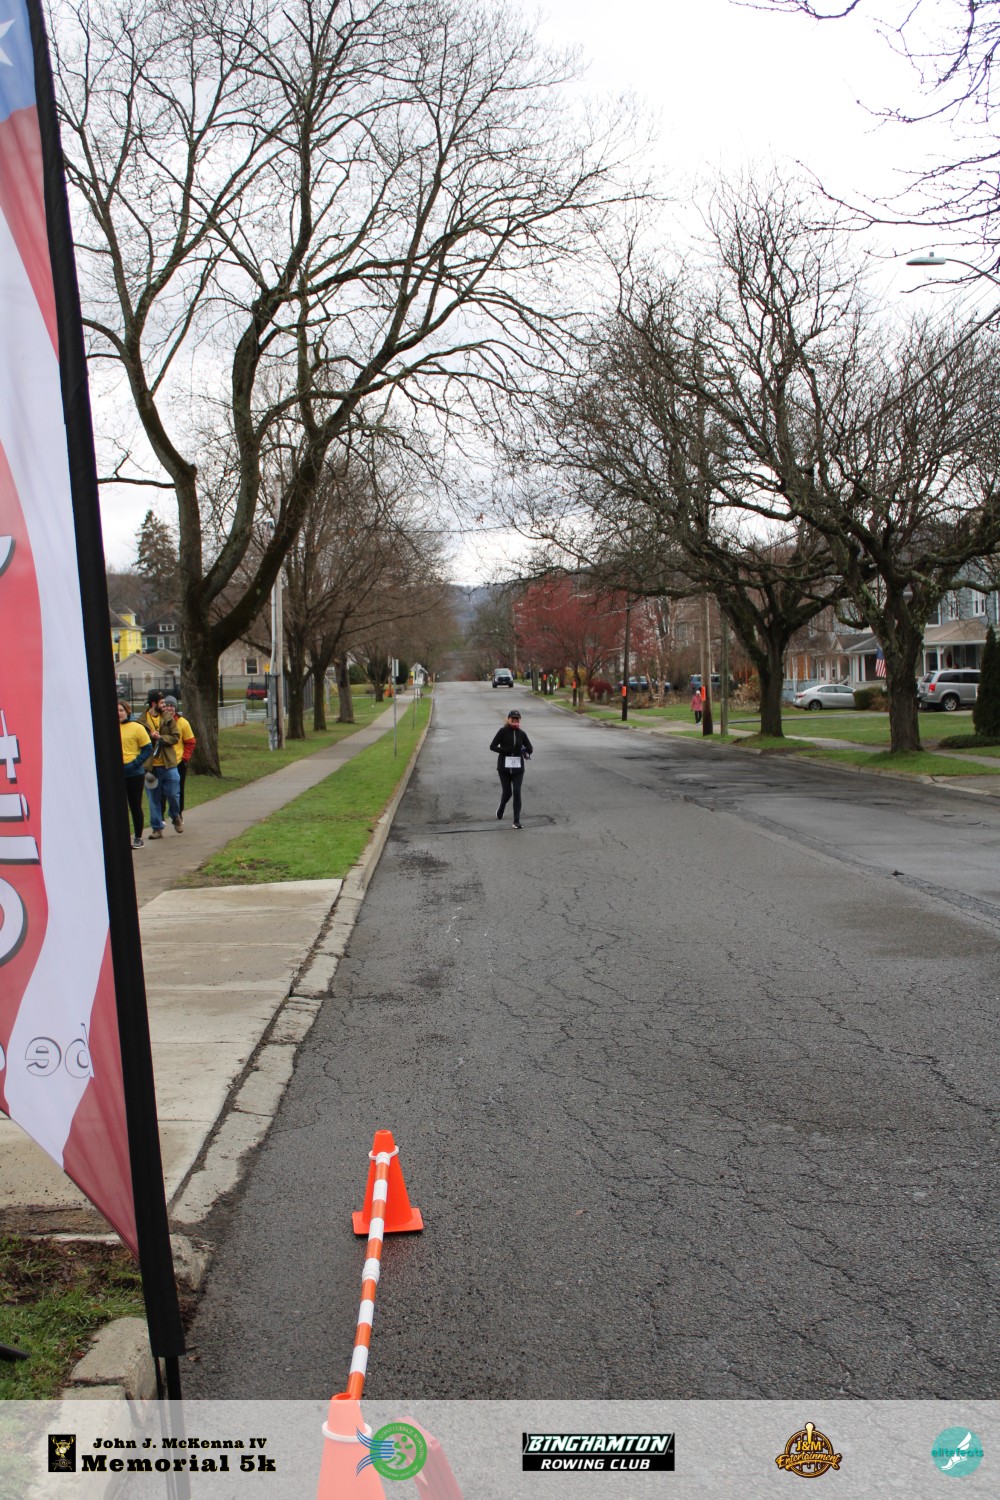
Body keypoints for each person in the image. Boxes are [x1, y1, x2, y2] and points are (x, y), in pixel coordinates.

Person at [140, 691, 183, 837]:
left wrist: (161, 738)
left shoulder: (168, 718)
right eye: (162, 703)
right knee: (154, 798)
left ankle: (175, 815)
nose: (165, 705)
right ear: (154, 704)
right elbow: (138, 740)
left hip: (168, 764)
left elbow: (176, 737)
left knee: (173, 793)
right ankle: (157, 828)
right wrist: (149, 736)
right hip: (150, 767)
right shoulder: (141, 721)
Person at [489, 708, 533, 830]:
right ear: (508, 719)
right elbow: (492, 746)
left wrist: (527, 750)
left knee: (517, 792)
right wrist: (505, 750)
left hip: (518, 769)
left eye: (517, 719)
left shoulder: (522, 734)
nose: (515, 721)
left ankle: (516, 821)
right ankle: (502, 806)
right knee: (507, 792)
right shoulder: (502, 732)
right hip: (504, 768)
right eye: (513, 719)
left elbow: (530, 747)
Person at [118, 700, 153, 848]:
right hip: (116, 774)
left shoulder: (137, 727)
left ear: (127, 711)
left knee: (135, 805)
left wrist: (135, 763)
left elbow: (147, 748)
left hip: (134, 773)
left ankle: (138, 837)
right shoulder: (108, 729)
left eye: (121, 710)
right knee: (118, 808)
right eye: (116, 710)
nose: (118, 713)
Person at [173, 703, 197, 813]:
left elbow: (190, 742)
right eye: (166, 705)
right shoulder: (160, 721)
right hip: (162, 763)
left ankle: (179, 813)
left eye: (171, 705)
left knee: (179, 789)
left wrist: (185, 758)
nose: (169, 708)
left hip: (179, 762)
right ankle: (162, 817)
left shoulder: (183, 723)